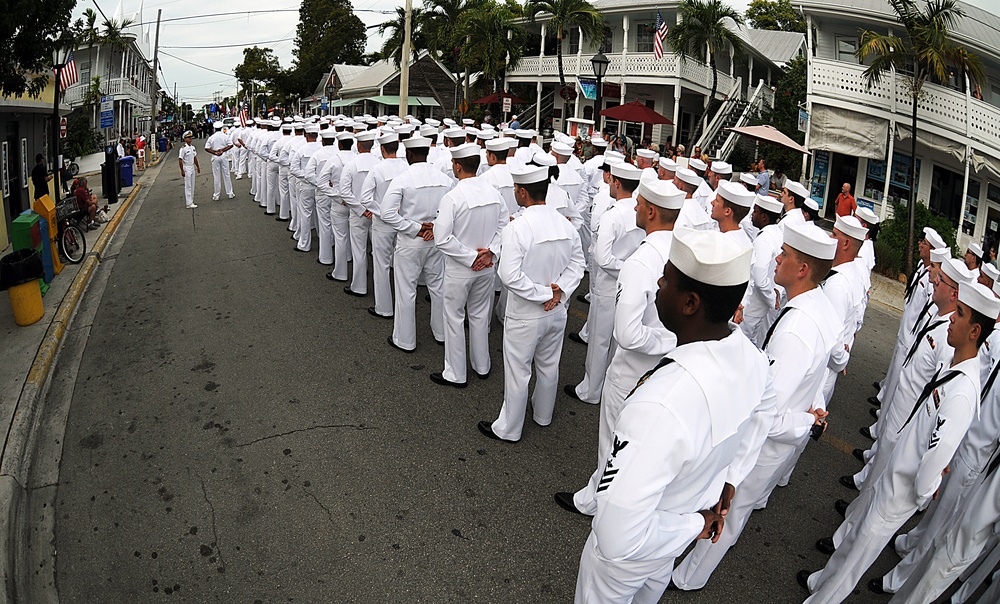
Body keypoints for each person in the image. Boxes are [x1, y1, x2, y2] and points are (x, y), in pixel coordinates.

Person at [573, 227, 774, 604]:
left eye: (666, 279)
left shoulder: (662, 402)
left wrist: (695, 524)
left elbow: (617, 537)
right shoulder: (752, 359)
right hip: (672, 538)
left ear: (690, 303)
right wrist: (731, 477)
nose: (659, 284)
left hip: (633, 556)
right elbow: (763, 413)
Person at [799, 280, 992, 604]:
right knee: (855, 541)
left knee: (855, 563)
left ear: (974, 331)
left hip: (900, 492)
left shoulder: (964, 391)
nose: (952, 319)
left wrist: (916, 494)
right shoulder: (957, 368)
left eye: (960, 314)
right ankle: (820, 582)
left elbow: (937, 455)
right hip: (894, 475)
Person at [672, 221, 837, 591]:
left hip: (765, 443)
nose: (777, 258)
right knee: (734, 511)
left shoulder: (797, 329)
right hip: (779, 438)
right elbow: (818, 375)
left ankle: (687, 578)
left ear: (802, 270)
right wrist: (815, 407)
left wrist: (807, 422)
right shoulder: (818, 308)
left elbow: (770, 412)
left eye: (786, 255)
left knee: (728, 512)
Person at [555, 179, 682, 517]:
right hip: (666, 370)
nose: (635, 207)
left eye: (640, 203)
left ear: (652, 211)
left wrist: (667, 342)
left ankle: (598, 501)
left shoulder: (642, 261)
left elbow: (626, 334)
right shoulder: (684, 250)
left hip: (633, 370)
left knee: (613, 439)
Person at [479, 164, 585, 443]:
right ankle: (543, 415)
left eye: (516, 189)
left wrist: (544, 294)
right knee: (549, 365)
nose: (515, 193)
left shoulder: (518, 228)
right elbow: (578, 265)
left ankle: (509, 428)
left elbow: (508, 275)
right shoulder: (565, 224)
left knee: (518, 372)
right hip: (557, 310)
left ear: (523, 192)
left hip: (526, 313)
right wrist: (560, 291)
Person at [565, 162, 644, 405]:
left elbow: (604, 258)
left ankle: (590, 390)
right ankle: (606, 386)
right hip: (630, 286)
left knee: (599, 341)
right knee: (616, 342)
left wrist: (626, 267)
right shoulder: (639, 210)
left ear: (616, 183)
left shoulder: (613, 214)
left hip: (609, 286)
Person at [430, 142, 507, 387]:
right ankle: (482, 365)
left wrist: (469, 256)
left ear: (457, 165)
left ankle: (456, 373)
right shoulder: (493, 193)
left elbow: (442, 239)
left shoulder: (452, 197)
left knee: (453, 318)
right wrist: (491, 253)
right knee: (479, 315)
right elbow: (505, 226)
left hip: (460, 269)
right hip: (485, 267)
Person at [381, 136, 454, 352]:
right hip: (436, 241)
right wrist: (436, 227)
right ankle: (441, 333)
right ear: (427, 153)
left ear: (410, 154)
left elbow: (386, 213)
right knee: (438, 288)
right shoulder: (445, 179)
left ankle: (405, 339)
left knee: (406, 291)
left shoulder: (403, 179)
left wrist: (414, 228)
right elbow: (453, 210)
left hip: (411, 242)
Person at [205, 122, 235, 200]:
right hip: (224, 155)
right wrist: (222, 150)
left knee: (216, 176)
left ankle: (216, 195)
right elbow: (231, 145)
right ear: (222, 128)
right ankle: (230, 193)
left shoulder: (211, 137)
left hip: (215, 156)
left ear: (214, 128)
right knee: (226, 174)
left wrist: (215, 152)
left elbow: (207, 148)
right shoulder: (224, 136)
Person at [178, 130, 200, 209]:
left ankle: (191, 200)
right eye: (188, 138)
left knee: (192, 184)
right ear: (185, 139)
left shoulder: (192, 148)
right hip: (186, 167)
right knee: (188, 185)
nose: (190, 139)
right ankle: (188, 203)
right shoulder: (183, 149)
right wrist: (182, 170)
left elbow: (194, 157)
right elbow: (180, 160)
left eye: (191, 138)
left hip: (192, 166)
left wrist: (197, 166)